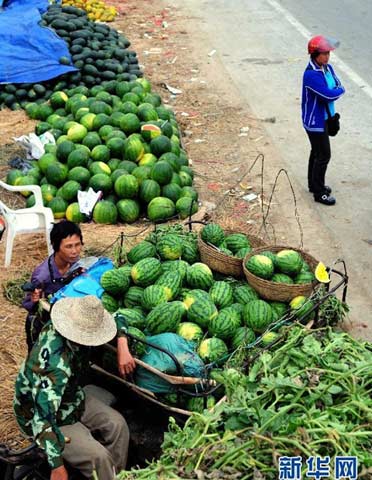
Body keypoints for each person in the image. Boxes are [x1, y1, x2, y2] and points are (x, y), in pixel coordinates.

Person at [14, 295, 135, 480]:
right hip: (45, 417)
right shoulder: (55, 366)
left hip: (71, 398)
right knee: (99, 458)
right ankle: (105, 472)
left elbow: (118, 316)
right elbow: (42, 419)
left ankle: (114, 475)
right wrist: (56, 465)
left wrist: (122, 342)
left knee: (118, 426)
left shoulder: (69, 319)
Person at [22, 221, 84, 352]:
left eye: (77, 245)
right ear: (56, 247)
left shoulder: (76, 264)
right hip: (45, 324)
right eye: (68, 247)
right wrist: (34, 300)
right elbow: (29, 306)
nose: (74, 251)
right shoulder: (42, 276)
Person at [301, 35, 345, 205]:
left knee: (316, 152)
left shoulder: (327, 68)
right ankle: (319, 193)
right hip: (314, 122)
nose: (327, 56)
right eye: (324, 53)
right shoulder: (311, 75)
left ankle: (313, 185)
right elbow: (329, 94)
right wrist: (338, 90)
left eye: (328, 53)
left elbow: (338, 84)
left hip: (326, 118)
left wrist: (337, 89)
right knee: (324, 155)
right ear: (314, 54)